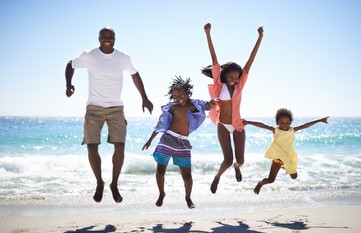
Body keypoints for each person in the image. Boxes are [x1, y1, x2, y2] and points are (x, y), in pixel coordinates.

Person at [65, 27, 153, 203]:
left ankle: (114, 184)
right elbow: (70, 64)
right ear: (99, 38)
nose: (107, 39)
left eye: (110, 36)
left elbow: (135, 75)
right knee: (92, 147)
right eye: (104, 36)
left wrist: (144, 97)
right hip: (94, 108)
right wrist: (69, 84)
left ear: (115, 39)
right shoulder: (89, 55)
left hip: (116, 109)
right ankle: (99, 183)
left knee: (119, 146)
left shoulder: (123, 57)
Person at [201, 23, 264, 194]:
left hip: (237, 125)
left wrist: (260, 38)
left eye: (236, 78)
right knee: (227, 160)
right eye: (231, 77)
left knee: (240, 160)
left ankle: (238, 167)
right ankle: (217, 177)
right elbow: (214, 58)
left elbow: (250, 61)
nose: (234, 80)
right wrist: (207, 33)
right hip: (223, 124)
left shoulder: (239, 86)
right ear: (225, 75)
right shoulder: (218, 84)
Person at [142, 76, 217, 209]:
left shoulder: (196, 105)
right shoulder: (173, 108)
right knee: (160, 172)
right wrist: (149, 141)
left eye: (180, 93)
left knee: (187, 176)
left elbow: (207, 105)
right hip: (167, 140)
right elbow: (161, 125)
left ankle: (188, 197)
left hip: (183, 143)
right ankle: (161, 193)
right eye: (175, 95)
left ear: (187, 92)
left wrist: (213, 102)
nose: (178, 97)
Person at [243, 109, 329, 194]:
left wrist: (320, 120)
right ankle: (260, 183)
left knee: (294, 177)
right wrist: (248, 122)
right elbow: (262, 125)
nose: (285, 125)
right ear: (277, 123)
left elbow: (305, 125)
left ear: (290, 123)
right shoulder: (275, 130)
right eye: (282, 123)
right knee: (271, 180)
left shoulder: (292, 130)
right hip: (278, 157)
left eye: (287, 123)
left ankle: (284, 166)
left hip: (289, 157)